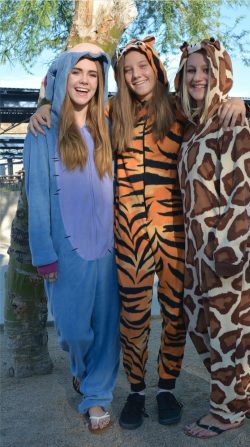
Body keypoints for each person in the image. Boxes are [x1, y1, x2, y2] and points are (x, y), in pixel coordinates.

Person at [28, 36, 247, 430]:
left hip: (174, 233)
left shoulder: (178, 107)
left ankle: (165, 387)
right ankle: (135, 391)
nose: (135, 75)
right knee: (132, 317)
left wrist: (236, 100)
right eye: (127, 70)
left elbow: (210, 102)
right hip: (127, 235)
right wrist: (42, 106)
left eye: (141, 67)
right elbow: (72, 106)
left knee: (175, 313)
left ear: (156, 68)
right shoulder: (112, 113)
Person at [23, 43, 120, 434]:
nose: (84, 81)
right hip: (66, 251)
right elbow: (37, 196)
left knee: (108, 327)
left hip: (110, 249)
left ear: (101, 83)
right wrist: (44, 254)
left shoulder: (108, 127)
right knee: (73, 329)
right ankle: (81, 369)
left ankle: (97, 395)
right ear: (63, 77)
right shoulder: (42, 131)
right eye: (77, 73)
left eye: (93, 75)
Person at [174, 38, 250, 439]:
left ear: (221, 74)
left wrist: (227, 253)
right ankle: (242, 395)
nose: (198, 77)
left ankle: (226, 411)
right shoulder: (194, 126)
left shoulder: (231, 119)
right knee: (199, 323)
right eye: (191, 70)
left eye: (206, 70)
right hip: (199, 252)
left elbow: (243, 193)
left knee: (231, 330)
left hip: (230, 251)